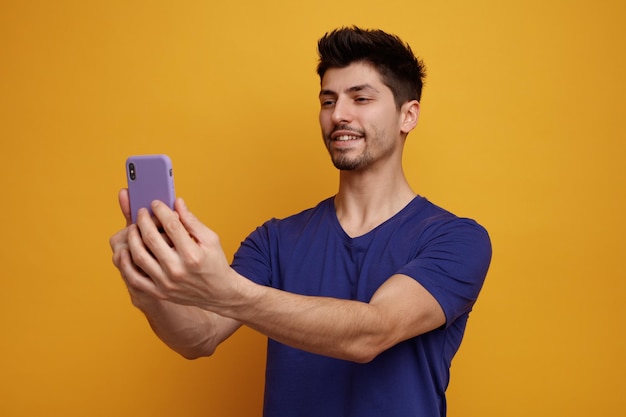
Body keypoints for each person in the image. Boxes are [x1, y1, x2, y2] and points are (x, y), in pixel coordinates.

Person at [110, 26, 492, 417]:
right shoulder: (274, 240)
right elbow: (199, 336)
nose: (338, 115)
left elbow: (372, 333)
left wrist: (225, 290)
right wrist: (149, 291)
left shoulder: (456, 239)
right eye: (328, 101)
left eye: (360, 98)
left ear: (407, 115)